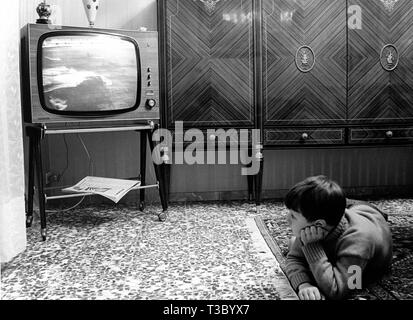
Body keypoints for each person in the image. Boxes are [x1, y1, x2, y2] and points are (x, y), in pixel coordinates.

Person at [284, 175, 393, 300]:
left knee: (294, 243)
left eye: (293, 216)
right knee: (327, 203)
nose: (287, 218)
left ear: (318, 224)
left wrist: (311, 246)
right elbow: (294, 258)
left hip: (370, 216)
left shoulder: (359, 242)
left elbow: (337, 291)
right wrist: (304, 284)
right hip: (353, 208)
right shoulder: (314, 228)